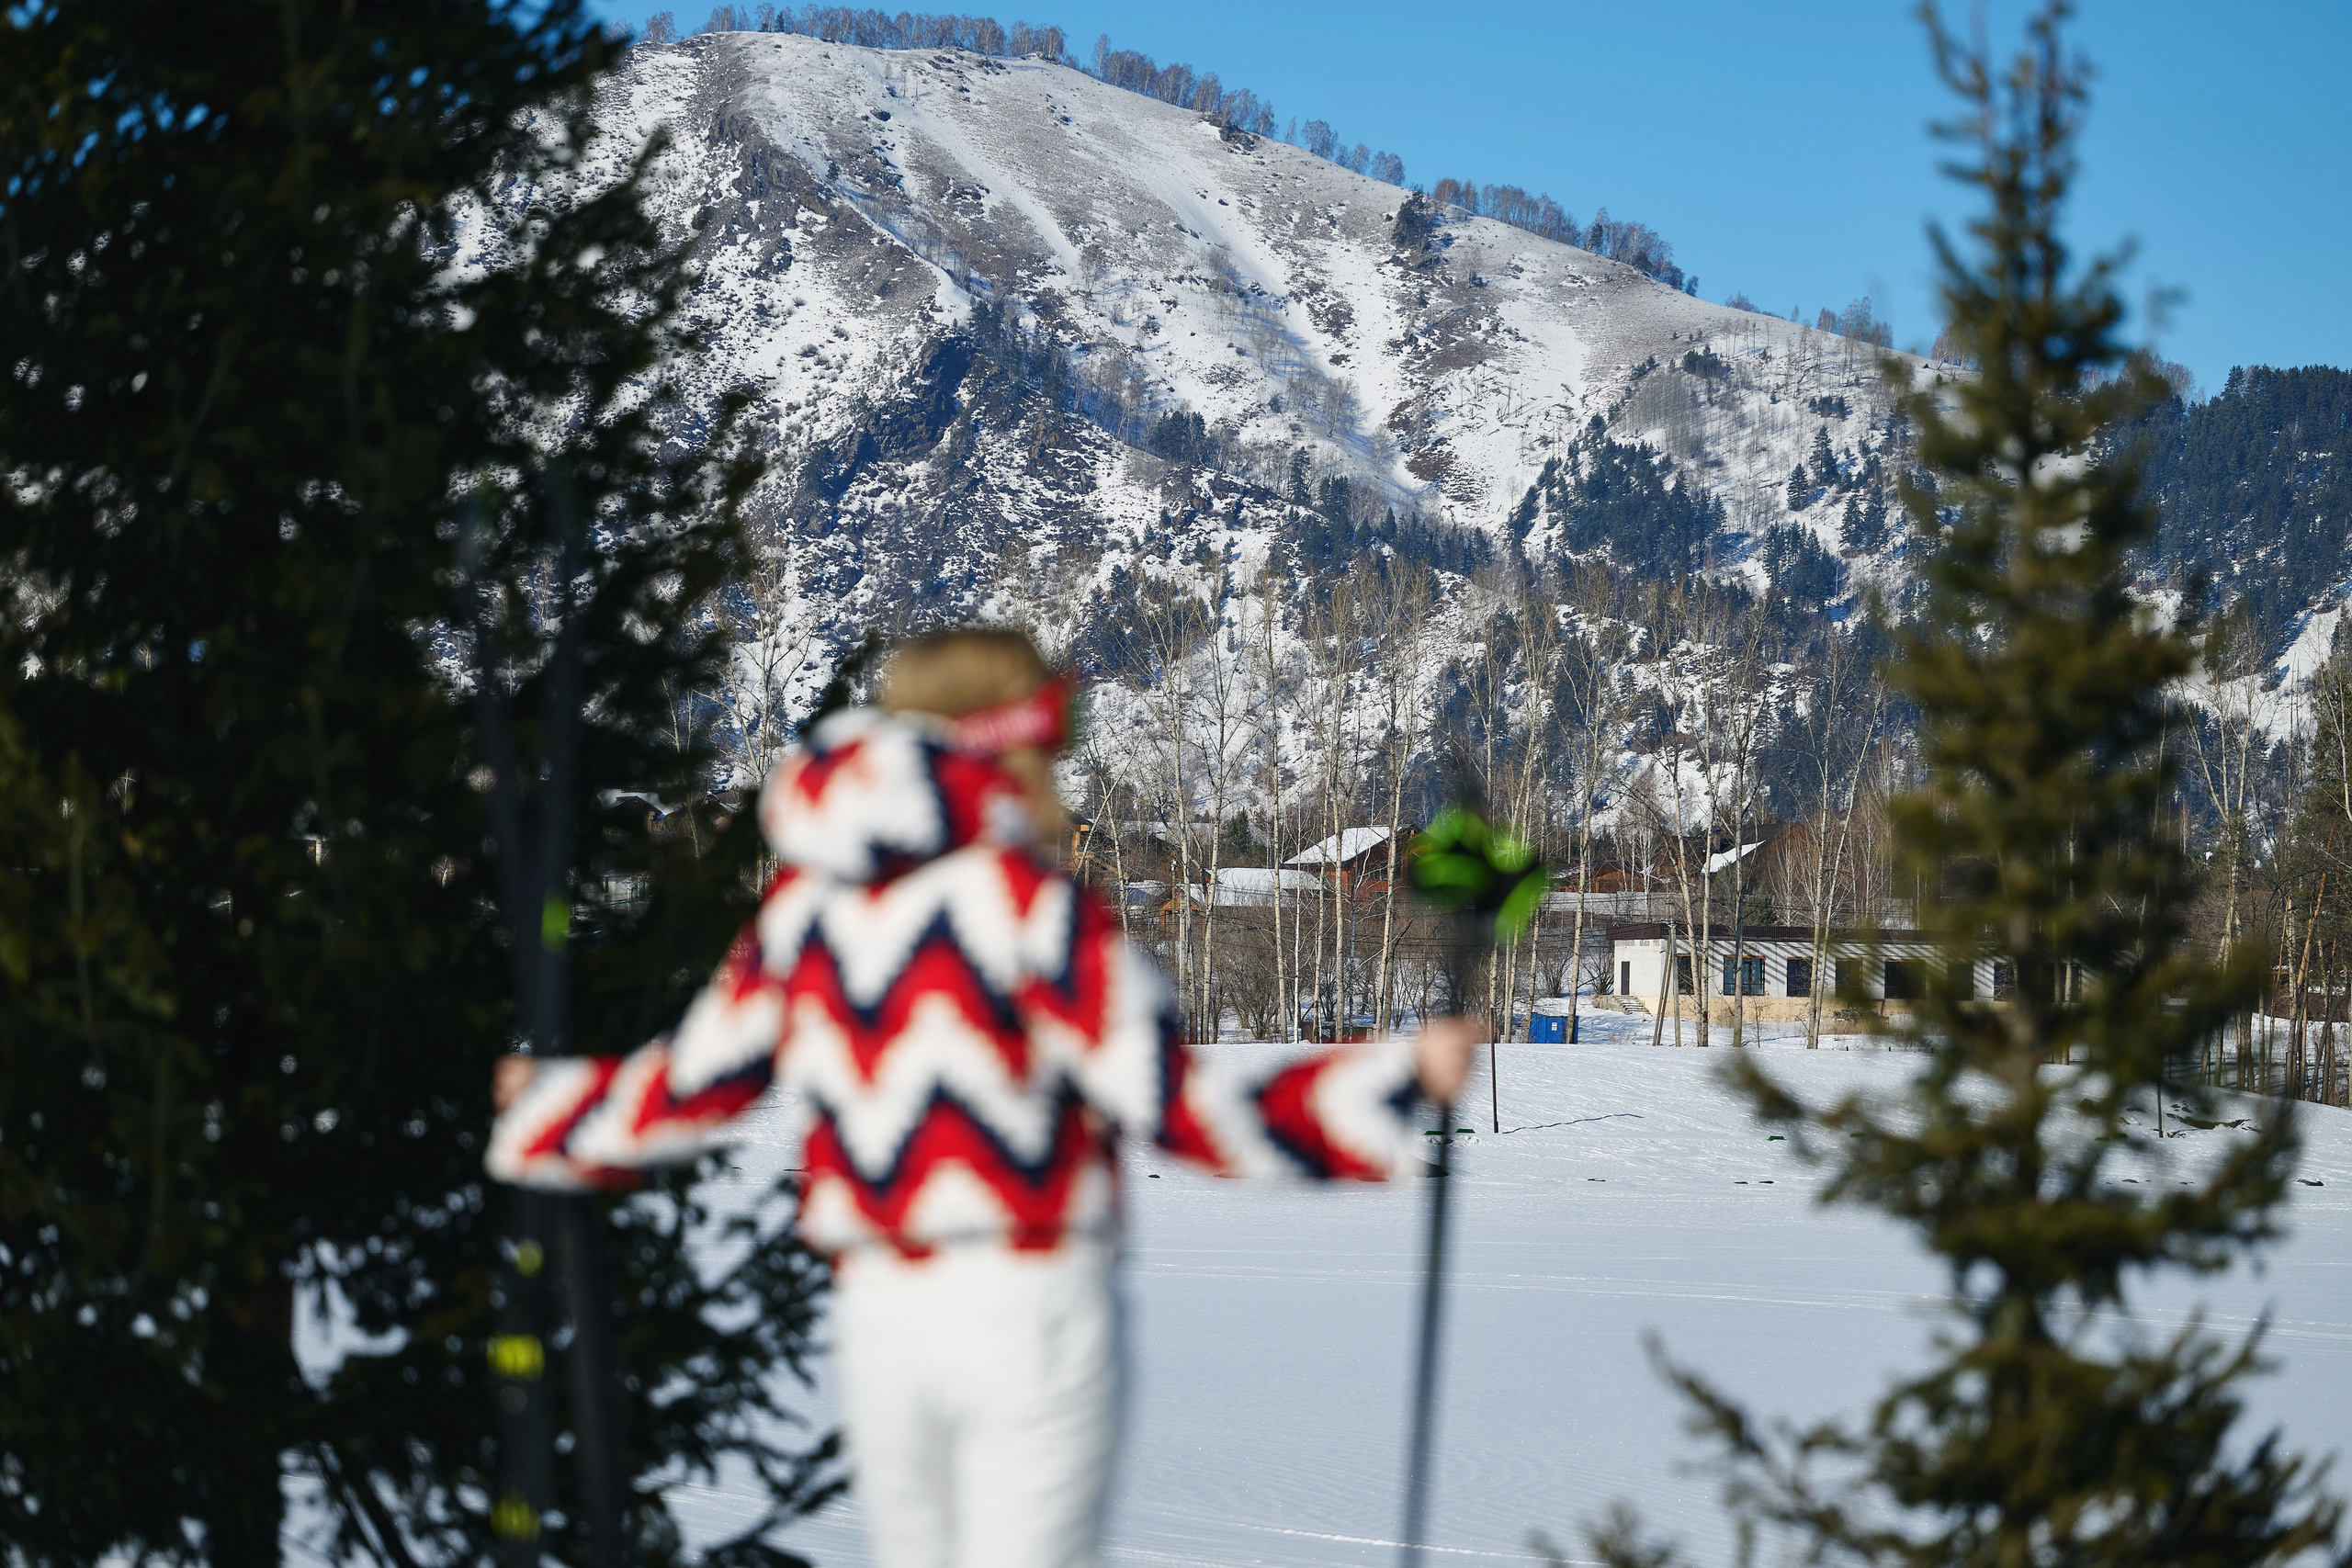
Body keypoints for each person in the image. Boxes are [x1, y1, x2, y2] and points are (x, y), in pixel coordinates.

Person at [488, 626, 1476, 1568]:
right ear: (1015, 743)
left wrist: (552, 1111)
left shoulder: (802, 913)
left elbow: (690, 1089)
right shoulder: (1025, 906)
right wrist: (1394, 1084)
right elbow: (1183, 1112)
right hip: (1028, 1303)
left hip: (879, 1313)